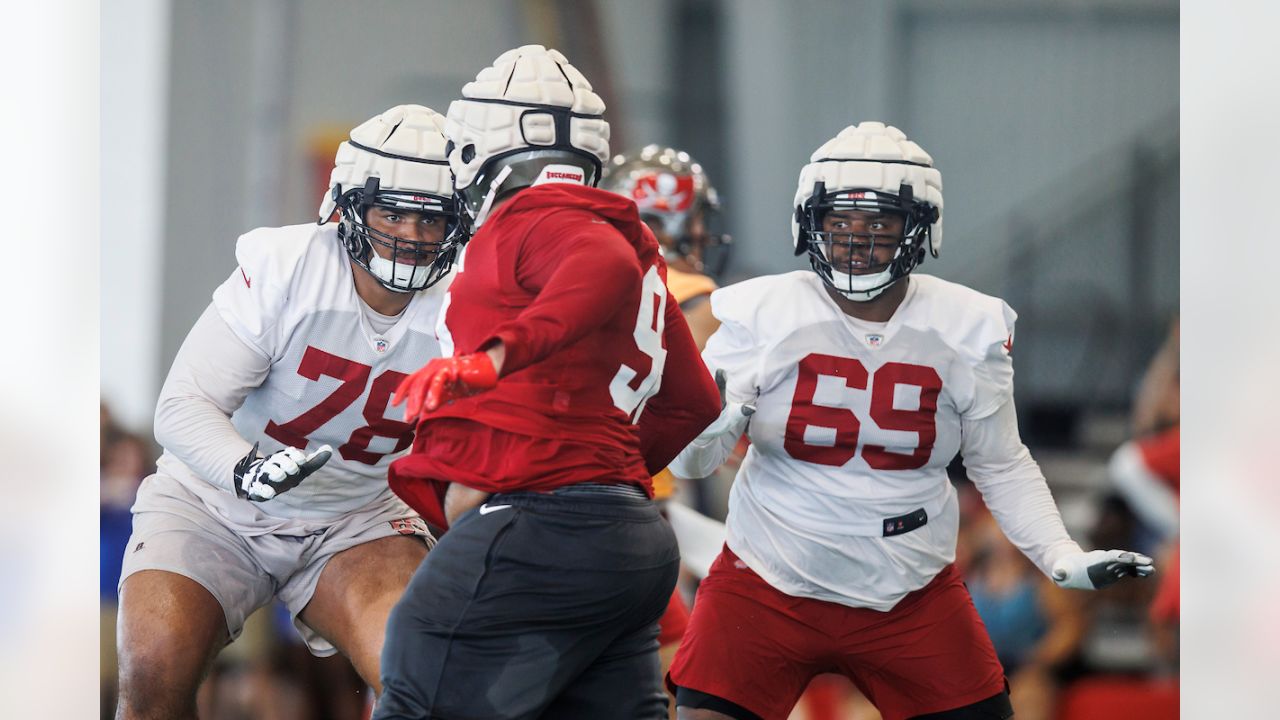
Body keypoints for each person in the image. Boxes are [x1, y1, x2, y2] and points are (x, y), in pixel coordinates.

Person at [664, 122, 1155, 720]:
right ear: (808, 224)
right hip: (766, 576)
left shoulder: (964, 325)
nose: (856, 240)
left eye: (880, 224)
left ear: (921, 226)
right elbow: (692, 462)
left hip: (909, 588)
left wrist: (1059, 554)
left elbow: (999, 462)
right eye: (838, 222)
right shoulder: (759, 312)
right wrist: (713, 427)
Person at [375, 45, 723, 720]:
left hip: (538, 524)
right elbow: (695, 401)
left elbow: (596, 267)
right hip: (627, 534)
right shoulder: (632, 246)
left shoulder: (544, 221)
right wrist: (606, 481)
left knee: (414, 680)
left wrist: (494, 359)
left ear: (479, 146)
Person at [115, 104, 457, 719]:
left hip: (355, 516)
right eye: (393, 211)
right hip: (213, 503)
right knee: (152, 675)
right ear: (349, 207)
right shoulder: (290, 268)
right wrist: (245, 468)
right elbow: (182, 407)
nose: (411, 233)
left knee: (420, 676)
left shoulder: (466, 294)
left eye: (431, 217)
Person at [602, 145, 734, 715]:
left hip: (564, 492)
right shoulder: (693, 294)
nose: (701, 233)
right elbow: (694, 416)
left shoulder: (577, 275)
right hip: (628, 508)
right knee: (672, 682)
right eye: (696, 219)